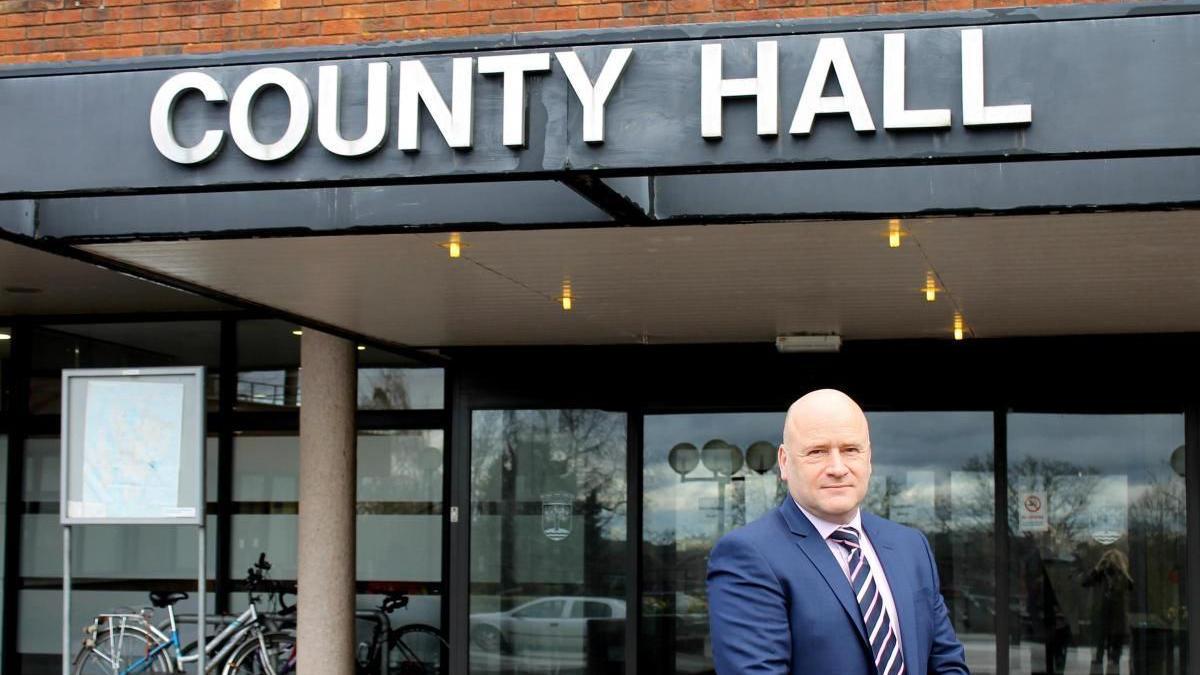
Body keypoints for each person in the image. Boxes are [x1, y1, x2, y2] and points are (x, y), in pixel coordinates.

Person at [706, 389, 969, 675]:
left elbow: (947, 663)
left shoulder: (910, 545)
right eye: (817, 452)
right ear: (784, 462)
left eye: (850, 450)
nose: (837, 468)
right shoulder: (747, 556)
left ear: (868, 458)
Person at [1082, 548, 1133, 675]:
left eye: (1114, 561)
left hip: (1117, 621)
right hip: (1101, 618)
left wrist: (1122, 570)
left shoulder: (1122, 577)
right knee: (1096, 658)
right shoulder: (1100, 574)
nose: (1111, 564)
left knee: (1114, 660)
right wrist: (1098, 567)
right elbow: (1085, 582)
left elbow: (1131, 586)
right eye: (1109, 560)